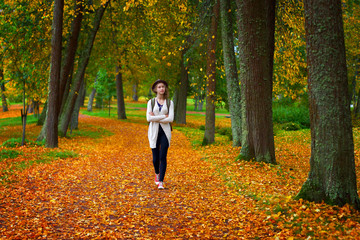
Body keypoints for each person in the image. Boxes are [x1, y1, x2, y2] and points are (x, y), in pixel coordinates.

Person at [146, 79, 174, 189]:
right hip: (153, 132)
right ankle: (157, 174)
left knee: (163, 156)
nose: (161, 88)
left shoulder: (169, 102)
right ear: (155, 89)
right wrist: (163, 117)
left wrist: (155, 118)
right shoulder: (151, 102)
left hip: (165, 133)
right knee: (155, 158)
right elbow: (149, 118)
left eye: (163, 86)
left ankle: (161, 181)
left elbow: (171, 118)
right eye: (159, 87)